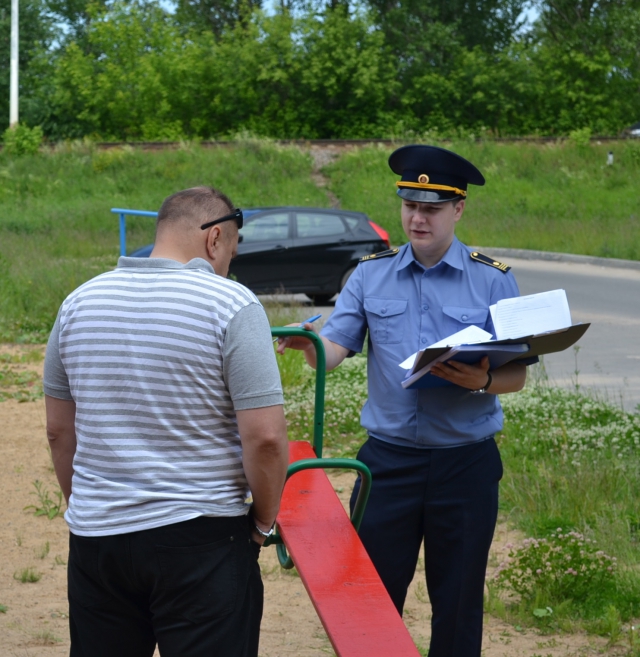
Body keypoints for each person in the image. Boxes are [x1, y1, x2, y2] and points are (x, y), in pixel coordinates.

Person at [277, 145, 535, 657]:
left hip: (465, 465)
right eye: (410, 206)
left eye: (432, 209)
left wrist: (479, 382)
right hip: (388, 465)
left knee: (458, 603)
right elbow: (333, 351)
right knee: (368, 599)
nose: (418, 218)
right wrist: (309, 346)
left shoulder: (494, 277)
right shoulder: (370, 274)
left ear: (458, 209)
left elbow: (515, 377)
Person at [43, 186, 289, 657]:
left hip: (99, 541)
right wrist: (262, 522)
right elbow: (265, 438)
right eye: (231, 252)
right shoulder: (231, 304)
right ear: (215, 238)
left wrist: (95, 505)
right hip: (202, 537)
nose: (229, 265)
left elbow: (59, 430)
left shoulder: (78, 303)